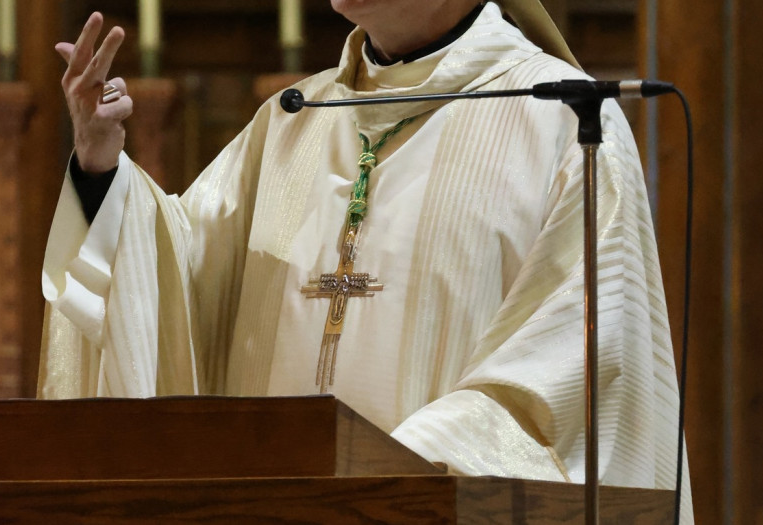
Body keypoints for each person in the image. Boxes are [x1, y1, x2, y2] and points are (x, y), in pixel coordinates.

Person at [40, 0, 691, 519]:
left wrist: (386, 472)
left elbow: (577, 366)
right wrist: (102, 165)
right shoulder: (293, 119)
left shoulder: (564, 120)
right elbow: (175, 280)